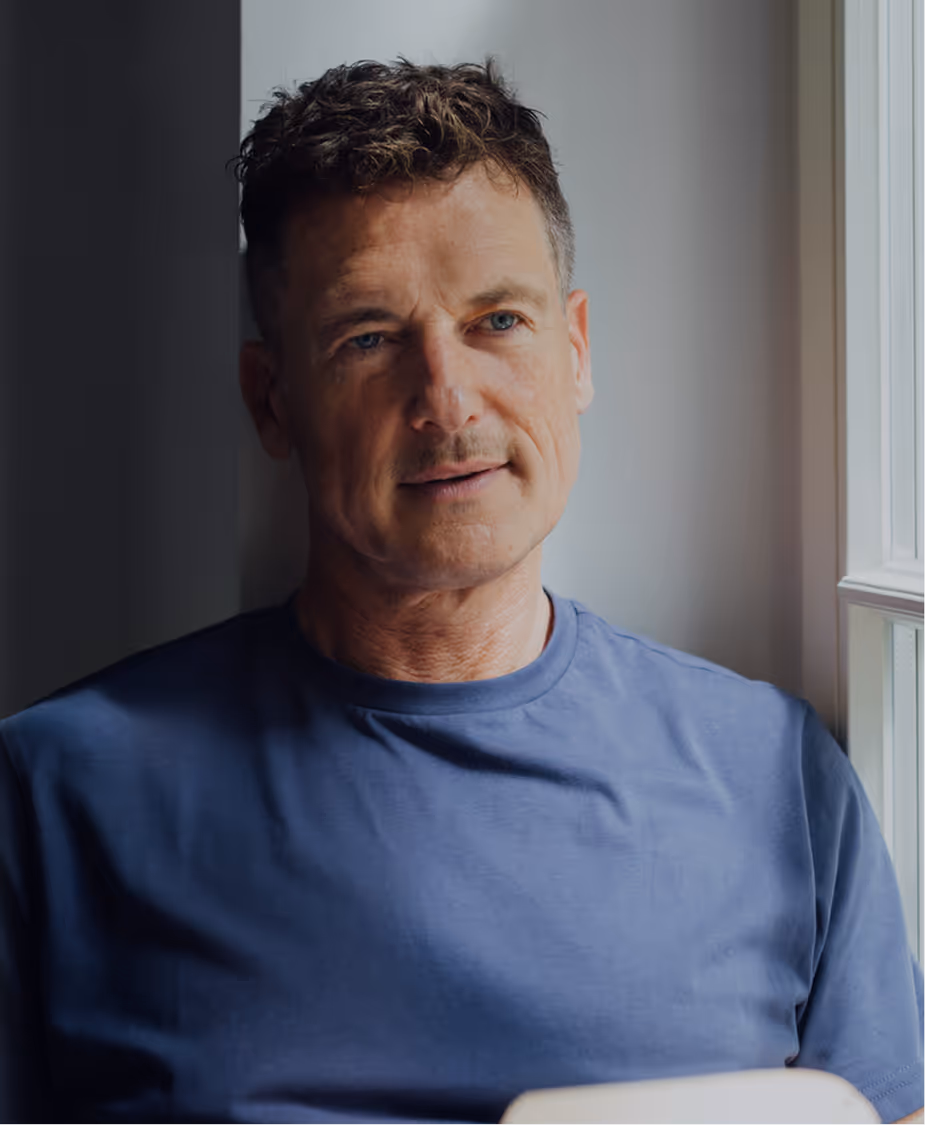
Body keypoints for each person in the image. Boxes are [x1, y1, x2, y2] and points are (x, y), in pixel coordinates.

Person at [1, 58, 922, 1125]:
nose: (444, 399)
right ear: (273, 401)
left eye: (497, 322)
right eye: (369, 340)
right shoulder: (56, 793)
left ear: (573, 350)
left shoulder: (776, 776)